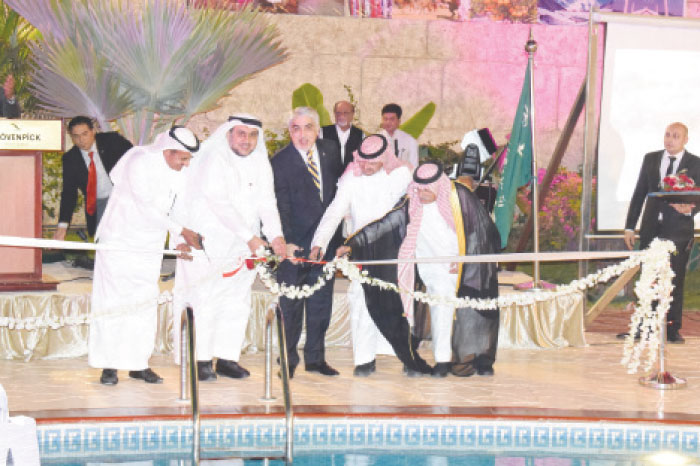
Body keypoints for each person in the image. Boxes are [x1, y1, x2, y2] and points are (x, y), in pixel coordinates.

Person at [172, 115, 286, 381]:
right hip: (209, 242)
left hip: (244, 245)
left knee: (237, 301)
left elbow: (267, 203)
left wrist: (276, 236)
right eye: (241, 134)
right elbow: (219, 203)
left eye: (252, 135)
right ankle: (200, 359)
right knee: (205, 299)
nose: (246, 141)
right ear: (228, 135)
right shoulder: (215, 159)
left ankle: (226, 357)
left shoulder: (259, 161)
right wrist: (251, 238)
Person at [309, 134, 432, 377]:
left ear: (385, 159)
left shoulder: (401, 176)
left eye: (372, 162)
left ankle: (405, 356)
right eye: (363, 161)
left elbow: (413, 212)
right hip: (360, 249)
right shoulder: (351, 178)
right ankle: (364, 359)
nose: (366, 166)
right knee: (361, 303)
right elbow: (335, 212)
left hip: (395, 251)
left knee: (398, 304)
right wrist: (319, 243)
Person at [88, 126, 202, 385]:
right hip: (119, 241)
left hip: (149, 245)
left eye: (188, 159)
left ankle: (138, 363)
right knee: (113, 302)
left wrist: (178, 241)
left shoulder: (179, 172)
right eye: (182, 158)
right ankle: (110, 366)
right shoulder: (140, 162)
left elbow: (176, 208)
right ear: (168, 151)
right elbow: (146, 207)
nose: (185, 164)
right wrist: (182, 231)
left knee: (144, 302)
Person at [397, 161, 500, 377]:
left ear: (438, 186)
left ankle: (478, 359)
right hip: (432, 271)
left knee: (472, 312)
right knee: (440, 311)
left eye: (427, 189)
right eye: (419, 188)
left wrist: (462, 259)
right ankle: (442, 361)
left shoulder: (457, 199)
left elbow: (478, 231)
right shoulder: (413, 204)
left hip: (462, 266)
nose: (422, 193)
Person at [271, 107, 344, 378]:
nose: (302, 135)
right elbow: (281, 207)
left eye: (308, 127)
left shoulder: (331, 151)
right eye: (296, 128)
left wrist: (336, 240)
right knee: (290, 306)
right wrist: (287, 244)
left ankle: (316, 358)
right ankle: (288, 359)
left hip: (325, 247)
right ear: (290, 130)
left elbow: (340, 195)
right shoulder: (279, 162)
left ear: (317, 130)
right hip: (296, 247)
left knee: (320, 305)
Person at [622, 122, 700, 344]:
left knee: (674, 279)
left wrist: (692, 209)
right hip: (651, 229)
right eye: (667, 134)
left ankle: (672, 328)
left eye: (676, 136)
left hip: (678, 230)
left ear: (685, 139)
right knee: (648, 278)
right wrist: (630, 226)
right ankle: (643, 326)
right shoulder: (651, 159)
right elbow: (639, 193)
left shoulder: (695, 163)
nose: (670, 139)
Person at [53, 116, 133, 240]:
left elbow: (134, 159)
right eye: (76, 136)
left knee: (129, 238)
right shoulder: (70, 159)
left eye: (85, 134)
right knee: (104, 242)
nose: (81, 140)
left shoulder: (112, 140)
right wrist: (62, 227)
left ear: (93, 131)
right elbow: (69, 193)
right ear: (71, 137)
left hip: (123, 197)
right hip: (98, 203)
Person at [321, 100, 364, 168]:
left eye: (345, 113)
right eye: (338, 113)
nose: (341, 116)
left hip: (351, 176)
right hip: (329, 176)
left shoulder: (361, 134)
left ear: (352, 114)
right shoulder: (323, 132)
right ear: (334, 114)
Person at [379, 103, 419, 168]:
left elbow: (414, 166)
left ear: (399, 121)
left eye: (392, 119)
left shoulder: (410, 141)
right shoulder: (375, 140)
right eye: (385, 119)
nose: (388, 122)